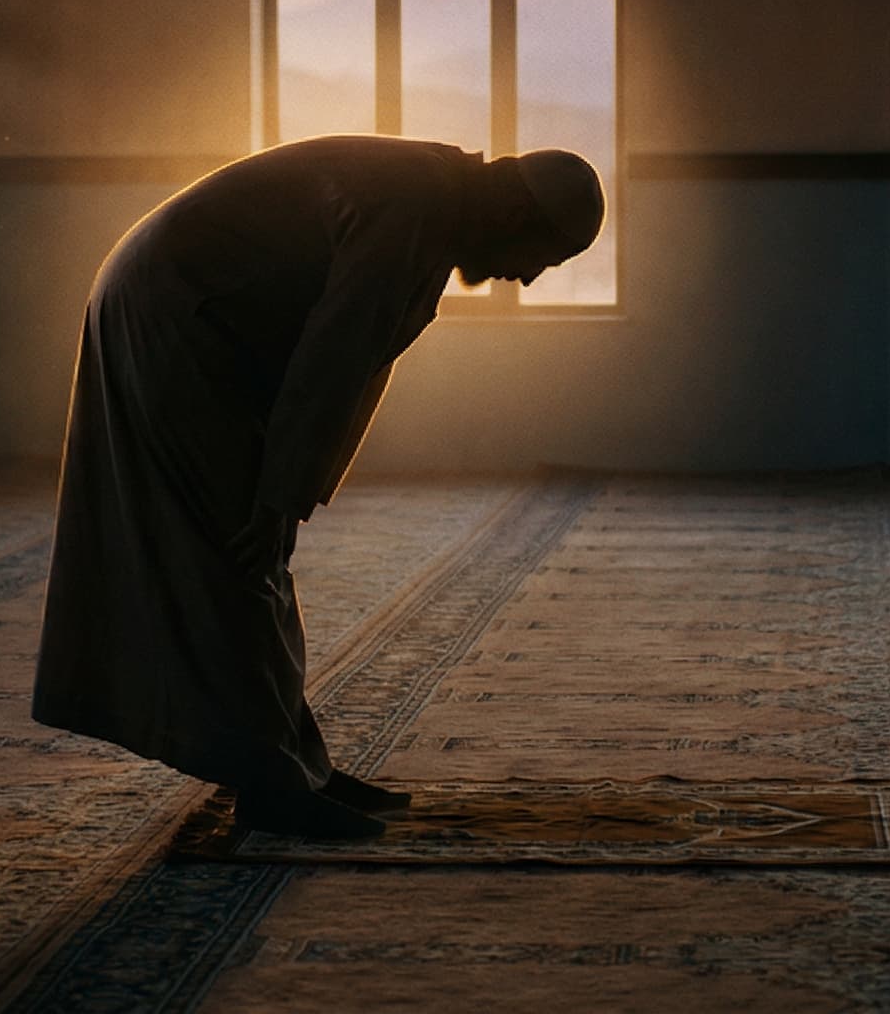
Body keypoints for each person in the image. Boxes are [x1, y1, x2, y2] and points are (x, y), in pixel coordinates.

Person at [30, 136, 605, 838]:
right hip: (174, 316)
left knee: (256, 554)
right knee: (238, 551)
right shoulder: (417, 205)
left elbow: (354, 365)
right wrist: (281, 495)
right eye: (544, 258)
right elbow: (333, 358)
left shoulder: (436, 205)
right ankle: (272, 785)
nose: (530, 278)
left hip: (193, 318)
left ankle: (295, 769)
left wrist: (291, 491)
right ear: (516, 214)